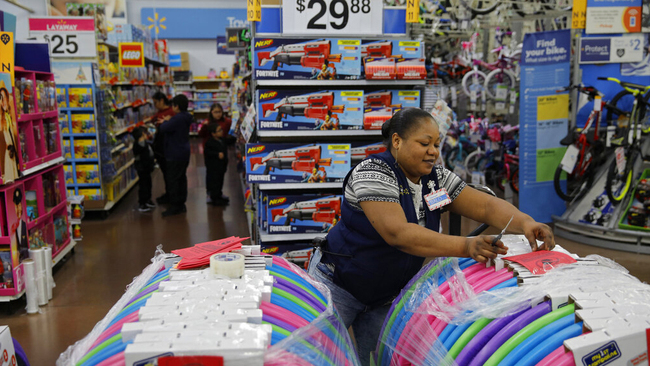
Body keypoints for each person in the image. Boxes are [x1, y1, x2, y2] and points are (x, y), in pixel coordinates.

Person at [307, 108, 555, 366]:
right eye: (424, 143)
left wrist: (526, 222)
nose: (433, 151)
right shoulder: (373, 174)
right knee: (318, 356)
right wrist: (466, 245)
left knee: (381, 360)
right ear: (397, 141)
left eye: (436, 144)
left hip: (385, 296)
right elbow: (398, 234)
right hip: (339, 284)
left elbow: (485, 207)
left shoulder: (436, 181)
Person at [158, 95, 192, 217]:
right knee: (181, 178)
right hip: (183, 151)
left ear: (176, 106)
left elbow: (163, 128)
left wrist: (167, 121)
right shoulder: (186, 117)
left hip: (174, 153)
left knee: (173, 179)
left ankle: (175, 206)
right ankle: (181, 203)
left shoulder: (177, 119)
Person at [199, 103, 232, 203]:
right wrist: (204, 127)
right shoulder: (207, 123)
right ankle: (210, 193)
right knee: (210, 173)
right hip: (210, 150)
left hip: (222, 148)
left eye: (220, 112)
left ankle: (218, 192)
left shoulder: (226, 122)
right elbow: (201, 134)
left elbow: (229, 133)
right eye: (215, 112)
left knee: (220, 173)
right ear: (211, 112)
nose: (218, 114)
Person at [150, 92, 175, 204]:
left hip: (168, 148)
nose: (154, 105)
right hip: (161, 148)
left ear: (162, 101)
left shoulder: (170, 113)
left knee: (169, 173)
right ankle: (169, 193)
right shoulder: (160, 113)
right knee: (166, 173)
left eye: (155, 102)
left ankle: (172, 195)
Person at [203, 124, 229, 206]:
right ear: (213, 133)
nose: (221, 132)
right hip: (214, 167)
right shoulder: (210, 143)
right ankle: (215, 198)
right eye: (219, 131)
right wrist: (216, 154)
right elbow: (207, 153)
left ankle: (219, 195)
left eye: (221, 130)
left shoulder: (222, 140)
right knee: (215, 182)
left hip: (221, 166)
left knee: (220, 181)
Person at [132, 127, 156, 212]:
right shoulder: (139, 145)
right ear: (142, 135)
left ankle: (148, 200)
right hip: (143, 168)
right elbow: (143, 157)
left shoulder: (144, 143)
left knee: (148, 184)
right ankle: (142, 203)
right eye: (145, 133)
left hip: (147, 168)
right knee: (143, 185)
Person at [0, 84, 19, 183]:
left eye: (4, 98)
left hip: (15, 153)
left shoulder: (10, 116)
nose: (3, 102)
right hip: (9, 154)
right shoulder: (1, 119)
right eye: (0, 99)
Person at [11, 189, 28, 262]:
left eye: (19, 205)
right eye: (16, 206)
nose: (18, 209)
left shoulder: (25, 225)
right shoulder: (12, 227)